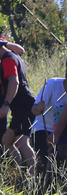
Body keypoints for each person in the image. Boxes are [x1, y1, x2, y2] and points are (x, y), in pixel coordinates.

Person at [30, 53, 67, 186]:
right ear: (66, 77)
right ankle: (38, 192)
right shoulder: (52, 84)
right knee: (44, 166)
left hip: (62, 134)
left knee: (58, 170)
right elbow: (34, 110)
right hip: (43, 129)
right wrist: (39, 108)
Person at [0, 40, 35, 171]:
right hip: (24, 105)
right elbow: (21, 49)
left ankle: (32, 178)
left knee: (22, 142)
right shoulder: (15, 55)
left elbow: (14, 82)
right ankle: (21, 173)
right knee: (7, 141)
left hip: (23, 105)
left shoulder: (7, 59)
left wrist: (5, 104)